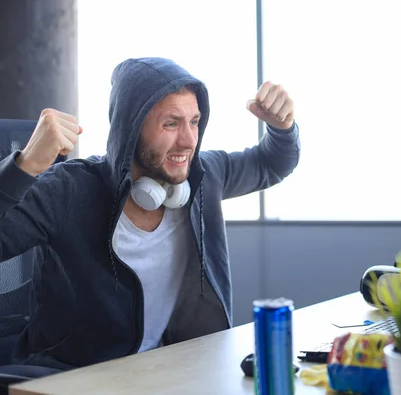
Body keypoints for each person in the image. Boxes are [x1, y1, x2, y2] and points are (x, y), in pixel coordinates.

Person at [0, 57, 300, 370]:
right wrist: (25, 167)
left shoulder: (203, 176)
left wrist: (282, 128)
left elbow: (271, 163)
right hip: (73, 375)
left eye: (194, 122)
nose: (188, 141)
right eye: (171, 123)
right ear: (132, 126)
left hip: (164, 370)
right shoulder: (69, 189)